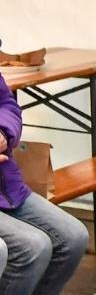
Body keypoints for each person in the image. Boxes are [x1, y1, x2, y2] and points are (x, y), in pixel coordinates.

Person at [0, 74, 88, 295]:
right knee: (31, 246)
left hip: (6, 186)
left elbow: (7, 104)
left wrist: (3, 131)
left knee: (74, 237)